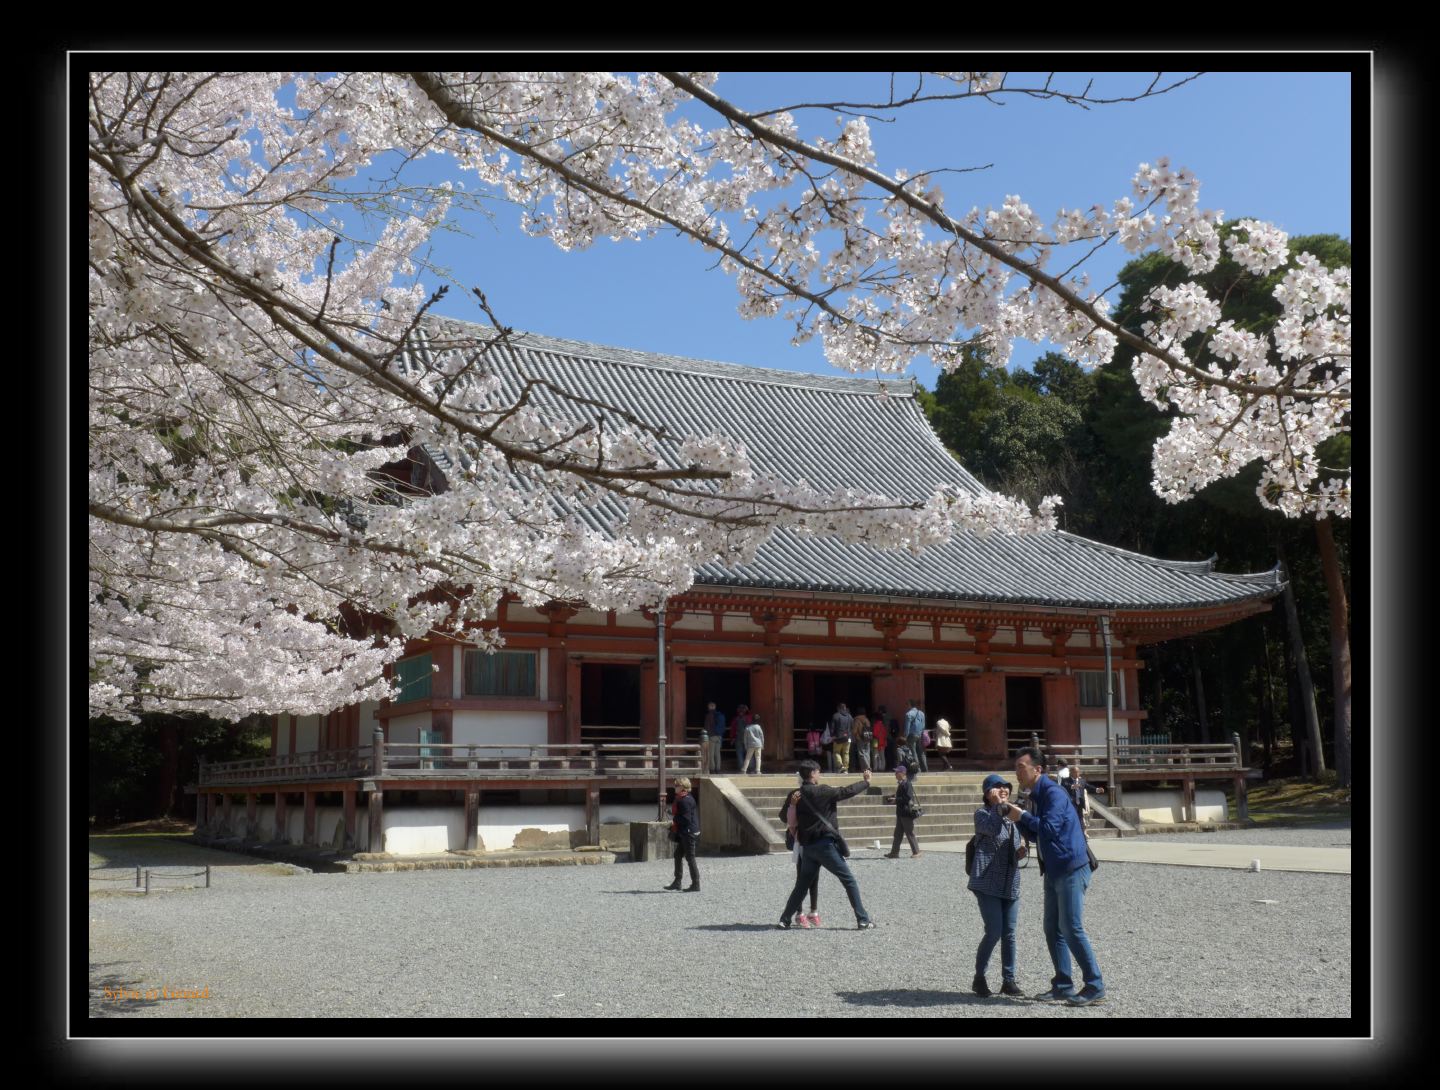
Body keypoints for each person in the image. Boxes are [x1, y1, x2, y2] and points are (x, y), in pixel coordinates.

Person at [1002, 747, 1106, 1006]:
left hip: (1071, 867)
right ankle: (1063, 984)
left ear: (1038, 770)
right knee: (1052, 928)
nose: (1017, 772)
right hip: (1054, 868)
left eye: (1021, 767)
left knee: (1071, 927)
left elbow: (1049, 829)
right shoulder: (1035, 795)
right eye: (1016, 767)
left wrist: (1023, 815)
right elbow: (1040, 835)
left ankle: (1095, 985)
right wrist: (1018, 819)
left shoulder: (1054, 794)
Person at [777, 761, 876, 930]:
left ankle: (785, 920)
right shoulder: (823, 791)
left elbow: (783, 817)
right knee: (848, 880)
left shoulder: (795, 795)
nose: (820, 774)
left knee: (801, 885)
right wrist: (865, 782)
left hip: (807, 847)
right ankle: (862, 919)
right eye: (818, 771)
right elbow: (846, 792)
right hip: (825, 845)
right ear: (813, 773)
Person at [968, 773, 1026, 997]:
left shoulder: (1013, 817)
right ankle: (979, 977)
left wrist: (1022, 851)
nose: (1003, 790)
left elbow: (1016, 844)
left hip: (1010, 881)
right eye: (998, 787)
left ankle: (1008, 980)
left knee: (1009, 933)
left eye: (1006, 787)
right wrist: (996, 806)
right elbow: (991, 829)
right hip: (987, 881)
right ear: (987, 792)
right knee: (994, 931)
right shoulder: (982, 813)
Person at [782, 775, 821, 928]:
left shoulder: (817, 793)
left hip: (812, 839)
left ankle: (812, 911)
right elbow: (784, 816)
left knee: (812, 877)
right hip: (803, 840)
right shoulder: (797, 795)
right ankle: (800, 912)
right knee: (804, 878)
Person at [663, 778, 700, 892]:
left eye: (677, 785)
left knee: (690, 858)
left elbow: (685, 819)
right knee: (678, 855)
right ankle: (677, 882)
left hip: (689, 832)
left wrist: (673, 819)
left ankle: (695, 884)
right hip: (686, 832)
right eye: (675, 785)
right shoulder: (683, 798)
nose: (675, 787)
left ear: (683, 787)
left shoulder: (685, 800)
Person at [881, 763, 921, 858]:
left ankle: (916, 852)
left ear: (903, 773)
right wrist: (894, 798)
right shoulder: (902, 784)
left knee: (909, 833)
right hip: (900, 813)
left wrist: (896, 800)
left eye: (897, 772)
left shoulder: (907, 783)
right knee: (897, 834)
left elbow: (908, 798)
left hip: (906, 812)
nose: (895, 774)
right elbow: (902, 797)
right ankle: (894, 852)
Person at [904, 700, 928, 772]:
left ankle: (917, 768)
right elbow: (923, 725)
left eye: (907, 704)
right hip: (919, 734)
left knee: (913, 751)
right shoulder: (921, 713)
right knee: (921, 752)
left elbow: (907, 727)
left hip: (912, 735)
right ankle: (925, 768)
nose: (907, 706)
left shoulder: (908, 714)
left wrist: (905, 736)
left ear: (910, 705)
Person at [829, 703, 853, 775]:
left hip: (838, 737)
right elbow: (852, 726)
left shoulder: (835, 716)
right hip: (848, 737)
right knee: (846, 753)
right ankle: (845, 769)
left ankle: (840, 766)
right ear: (845, 708)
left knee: (836, 752)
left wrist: (832, 735)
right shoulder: (849, 716)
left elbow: (832, 728)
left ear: (838, 708)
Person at [705, 703, 725, 774]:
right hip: (719, 736)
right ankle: (718, 769)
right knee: (717, 753)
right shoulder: (719, 715)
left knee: (711, 753)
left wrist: (707, 734)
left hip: (712, 736)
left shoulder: (709, 715)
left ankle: (712, 769)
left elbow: (707, 727)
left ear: (709, 707)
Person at [852, 707, 873, 771]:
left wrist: (856, 736)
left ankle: (866, 767)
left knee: (861, 753)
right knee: (867, 752)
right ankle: (868, 766)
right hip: (867, 738)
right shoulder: (867, 719)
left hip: (860, 738)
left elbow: (854, 730)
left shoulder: (857, 720)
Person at [732, 704, 750, 771]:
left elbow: (733, 730)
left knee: (739, 753)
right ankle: (750, 767)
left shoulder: (735, 719)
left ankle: (741, 768)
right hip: (748, 738)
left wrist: (732, 738)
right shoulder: (749, 718)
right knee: (748, 753)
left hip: (738, 738)